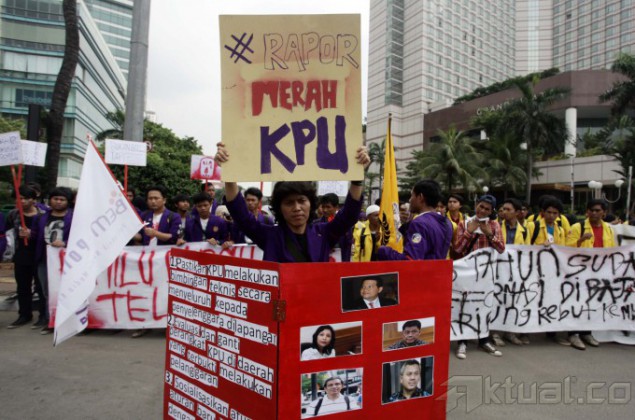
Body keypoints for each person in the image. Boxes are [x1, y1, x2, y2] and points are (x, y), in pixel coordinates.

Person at [214, 142, 370, 263]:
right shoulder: (269, 236)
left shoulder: (324, 233)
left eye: (302, 201)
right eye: (289, 203)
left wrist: (357, 178)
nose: (297, 208)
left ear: (311, 204)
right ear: (279, 208)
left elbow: (349, 216)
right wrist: (229, 173)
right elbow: (241, 216)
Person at [453, 194, 505, 359]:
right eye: (481, 206)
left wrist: (489, 234)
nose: (482, 211)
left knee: (484, 306)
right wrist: (469, 231)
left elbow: (501, 248)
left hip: (485, 274)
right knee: (465, 306)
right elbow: (458, 249)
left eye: (487, 209)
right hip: (466, 274)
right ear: (476, 205)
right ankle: (462, 341)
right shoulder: (464, 224)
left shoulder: (494, 225)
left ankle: (484, 340)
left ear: (491, 211)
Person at [565, 199, 615, 350]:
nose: (594, 213)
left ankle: (586, 332)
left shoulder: (608, 229)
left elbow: (612, 249)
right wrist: (581, 240)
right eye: (591, 210)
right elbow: (566, 248)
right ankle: (573, 334)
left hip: (599, 272)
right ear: (587, 212)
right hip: (580, 271)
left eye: (597, 210)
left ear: (604, 213)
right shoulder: (577, 227)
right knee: (577, 302)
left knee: (592, 302)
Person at [31, 187, 74, 335]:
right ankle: (51, 320)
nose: (58, 202)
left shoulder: (74, 217)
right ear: (50, 200)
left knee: (68, 290)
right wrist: (28, 234)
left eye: (62, 199)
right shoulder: (40, 218)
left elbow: (81, 237)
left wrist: (65, 243)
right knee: (47, 291)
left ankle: (69, 320)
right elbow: (35, 235)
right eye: (56, 199)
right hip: (44, 259)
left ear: (68, 202)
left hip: (68, 260)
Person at [377, 179, 453, 261]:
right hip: (440, 269)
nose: (410, 200)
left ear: (420, 197)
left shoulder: (419, 223)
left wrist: (384, 250)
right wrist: (407, 225)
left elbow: (410, 260)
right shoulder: (447, 223)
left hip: (423, 269)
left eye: (412, 195)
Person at [6, 186, 47, 329]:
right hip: (21, 254)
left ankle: (43, 315)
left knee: (41, 287)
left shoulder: (43, 214)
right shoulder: (13, 215)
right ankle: (24, 314)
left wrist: (32, 234)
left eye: (25, 198)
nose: (22, 201)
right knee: (23, 286)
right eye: (19, 198)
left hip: (39, 255)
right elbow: (8, 234)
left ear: (33, 200)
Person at [496, 198, 531, 346]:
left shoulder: (525, 231)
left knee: (512, 301)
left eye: (508, 209)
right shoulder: (496, 226)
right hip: (498, 269)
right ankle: (495, 332)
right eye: (503, 209)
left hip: (516, 271)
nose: (504, 212)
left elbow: (527, 251)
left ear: (517, 212)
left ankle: (509, 332)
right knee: (497, 301)